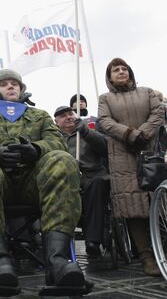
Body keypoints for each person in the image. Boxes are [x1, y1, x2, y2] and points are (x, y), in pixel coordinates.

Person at [0, 69, 84, 288]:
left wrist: (36, 150)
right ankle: (0, 260)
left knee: (63, 160)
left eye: (15, 83)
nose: (11, 86)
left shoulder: (38, 115)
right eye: (4, 84)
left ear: (22, 89)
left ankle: (57, 261)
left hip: (34, 183)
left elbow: (57, 142)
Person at [97, 58, 163, 276]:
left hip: (151, 151)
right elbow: (105, 121)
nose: (121, 71)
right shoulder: (105, 98)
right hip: (123, 156)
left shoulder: (148, 92)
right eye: (115, 70)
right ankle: (146, 257)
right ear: (109, 77)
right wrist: (130, 135)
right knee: (134, 206)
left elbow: (158, 113)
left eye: (124, 68)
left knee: (160, 200)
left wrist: (143, 134)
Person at [54, 106, 108, 258]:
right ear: (56, 122)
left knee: (97, 185)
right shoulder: (54, 138)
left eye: (70, 113)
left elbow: (105, 147)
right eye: (63, 116)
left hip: (92, 176)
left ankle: (93, 241)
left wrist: (86, 132)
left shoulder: (87, 132)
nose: (69, 117)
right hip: (66, 179)